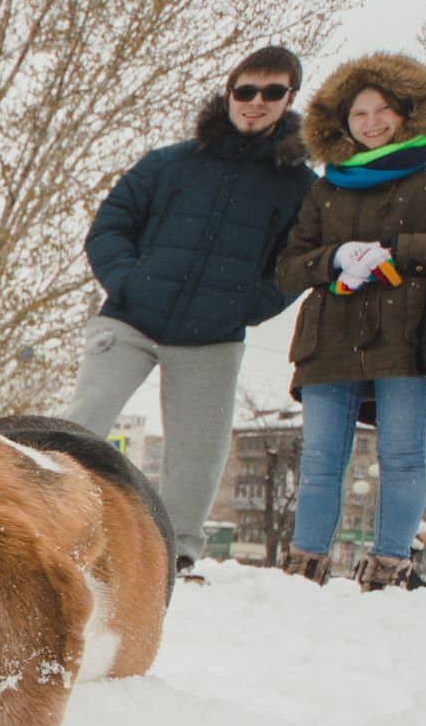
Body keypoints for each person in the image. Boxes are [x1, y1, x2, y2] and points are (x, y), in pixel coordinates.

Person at [63, 45, 318, 571]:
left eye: (272, 93)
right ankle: (47, 521)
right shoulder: (170, 163)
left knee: (197, 453)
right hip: (130, 320)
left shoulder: (299, 187)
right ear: (229, 93)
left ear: (289, 99)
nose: (255, 102)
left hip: (213, 335)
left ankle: (174, 554)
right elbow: (110, 226)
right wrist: (129, 283)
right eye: (245, 90)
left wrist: (246, 306)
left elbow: (296, 264)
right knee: (81, 424)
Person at [276, 53, 426, 590]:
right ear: (343, 122)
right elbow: (290, 267)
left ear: (409, 111)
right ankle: (300, 571)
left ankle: (387, 568)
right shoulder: (329, 182)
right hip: (330, 334)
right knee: (318, 459)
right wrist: (336, 259)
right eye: (359, 114)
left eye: (383, 109)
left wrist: (400, 251)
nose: (372, 122)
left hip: (409, 334)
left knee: (402, 455)